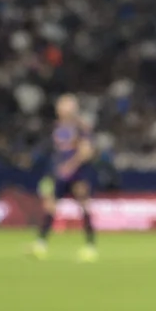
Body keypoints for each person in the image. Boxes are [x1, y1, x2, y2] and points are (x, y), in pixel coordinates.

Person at [33, 94, 98, 261]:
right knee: (50, 207)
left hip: (78, 173)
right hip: (58, 174)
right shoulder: (55, 127)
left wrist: (70, 166)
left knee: (84, 206)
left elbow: (86, 151)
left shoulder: (81, 127)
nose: (62, 109)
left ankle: (90, 245)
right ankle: (41, 243)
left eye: (65, 106)